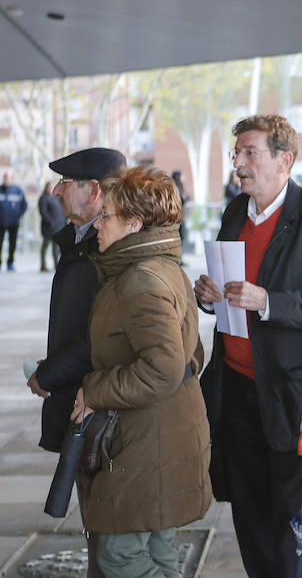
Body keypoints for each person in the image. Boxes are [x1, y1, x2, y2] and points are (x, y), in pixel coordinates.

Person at [193, 114, 302, 577]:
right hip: (236, 388)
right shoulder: (232, 213)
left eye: (249, 154)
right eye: (236, 154)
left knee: (286, 524)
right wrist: (210, 297)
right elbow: (229, 295)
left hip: (290, 396)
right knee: (247, 514)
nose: (238, 165)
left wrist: (270, 302)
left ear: (284, 160)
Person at [69, 164, 210, 578]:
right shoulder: (158, 267)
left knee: (119, 554)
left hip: (148, 441)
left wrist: (93, 390)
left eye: (107, 214)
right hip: (160, 434)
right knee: (158, 546)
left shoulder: (142, 278)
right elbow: (192, 354)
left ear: (134, 223)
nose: (99, 222)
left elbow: (163, 369)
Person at [28, 147, 125, 577]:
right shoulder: (81, 240)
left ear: (96, 191)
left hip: (100, 406)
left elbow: (100, 336)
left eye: (66, 182)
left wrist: (51, 373)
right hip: (82, 397)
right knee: (97, 523)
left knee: (111, 530)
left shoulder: (107, 250)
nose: (56, 190)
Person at [0, 171, 28, 271]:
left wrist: (18, 215)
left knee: (13, 243)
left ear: (12, 179)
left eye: (8, 178)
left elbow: (24, 205)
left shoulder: (18, 190)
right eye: (5, 177)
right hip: (1, 222)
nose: (6, 179)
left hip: (13, 222)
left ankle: (10, 263)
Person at [38, 180, 66, 271]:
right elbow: (43, 212)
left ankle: (56, 265)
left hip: (58, 227)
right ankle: (43, 265)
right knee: (45, 246)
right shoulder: (43, 198)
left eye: (52, 187)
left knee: (56, 248)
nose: (51, 189)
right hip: (48, 228)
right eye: (49, 187)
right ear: (46, 188)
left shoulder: (57, 198)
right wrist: (50, 222)